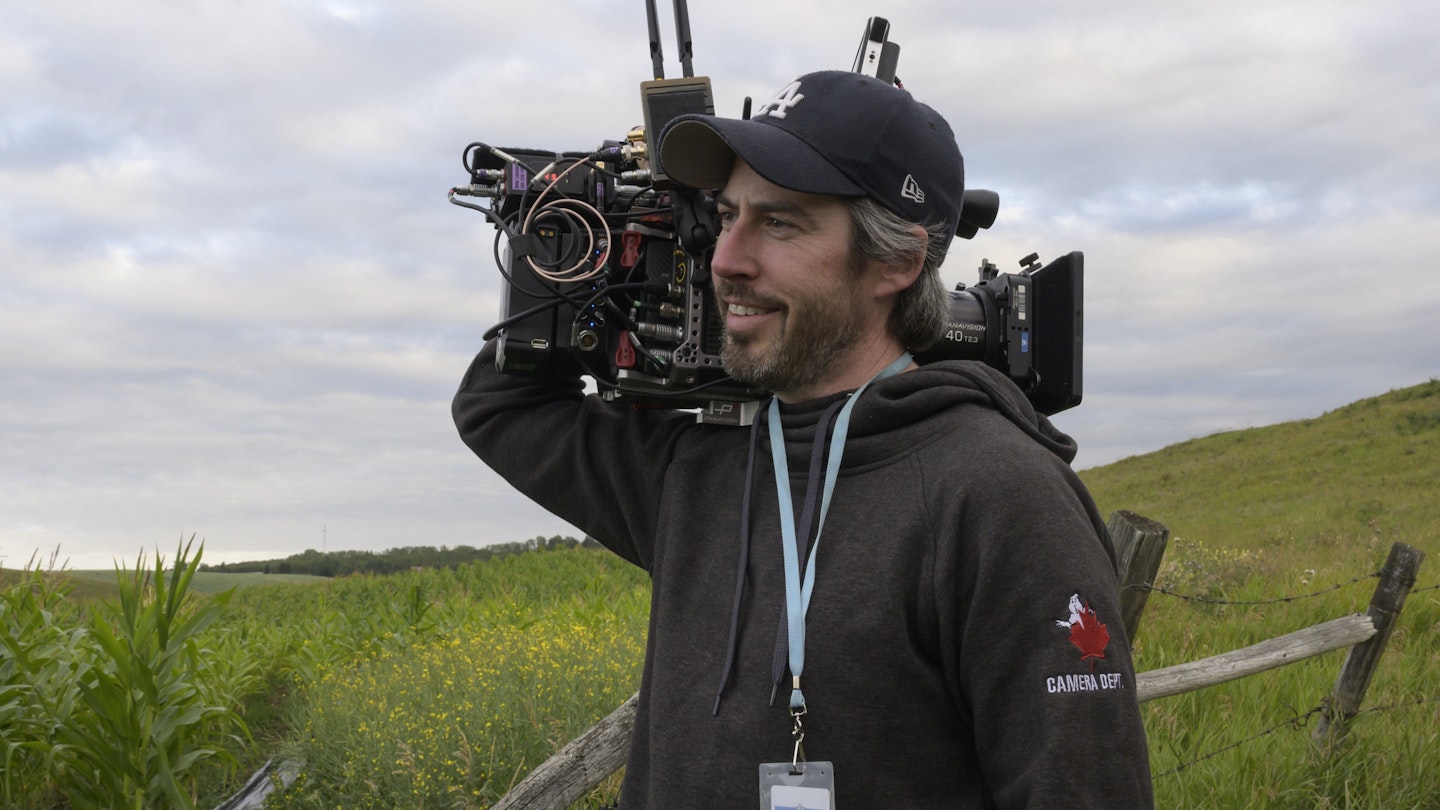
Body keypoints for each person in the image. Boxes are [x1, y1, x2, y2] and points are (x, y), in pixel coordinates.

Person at [453, 69, 1153, 808]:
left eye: (779, 223)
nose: (726, 259)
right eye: (726, 216)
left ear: (898, 262)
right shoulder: (698, 468)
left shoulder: (998, 493)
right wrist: (593, 225)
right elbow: (501, 402)